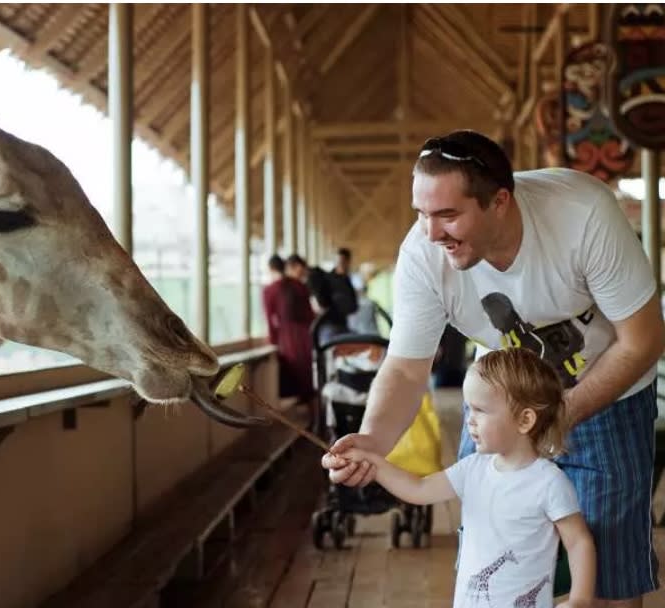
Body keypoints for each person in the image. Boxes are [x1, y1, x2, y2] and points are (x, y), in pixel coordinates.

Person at [321, 129, 664, 607]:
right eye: (421, 214)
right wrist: (372, 443)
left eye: (448, 215)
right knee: (492, 547)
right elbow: (404, 369)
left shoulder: (583, 214)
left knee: (608, 563)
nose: (431, 233)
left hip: (610, 388)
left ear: (500, 201)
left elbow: (643, 341)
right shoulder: (423, 254)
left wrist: (561, 415)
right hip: (500, 403)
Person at [329, 348, 596, 608]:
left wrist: (580, 599)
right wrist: (373, 462)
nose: (470, 420)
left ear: (525, 421)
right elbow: (419, 489)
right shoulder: (472, 469)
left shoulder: (549, 483)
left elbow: (578, 541)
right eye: (468, 409)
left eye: (480, 410)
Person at [262, 254, 315, 405]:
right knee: (309, 379)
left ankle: (307, 418)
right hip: (306, 337)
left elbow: (269, 319)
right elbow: (310, 314)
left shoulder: (269, 290)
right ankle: (314, 418)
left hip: (287, 340)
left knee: (297, 378)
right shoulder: (300, 286)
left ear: (271, 269)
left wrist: (273, 340)